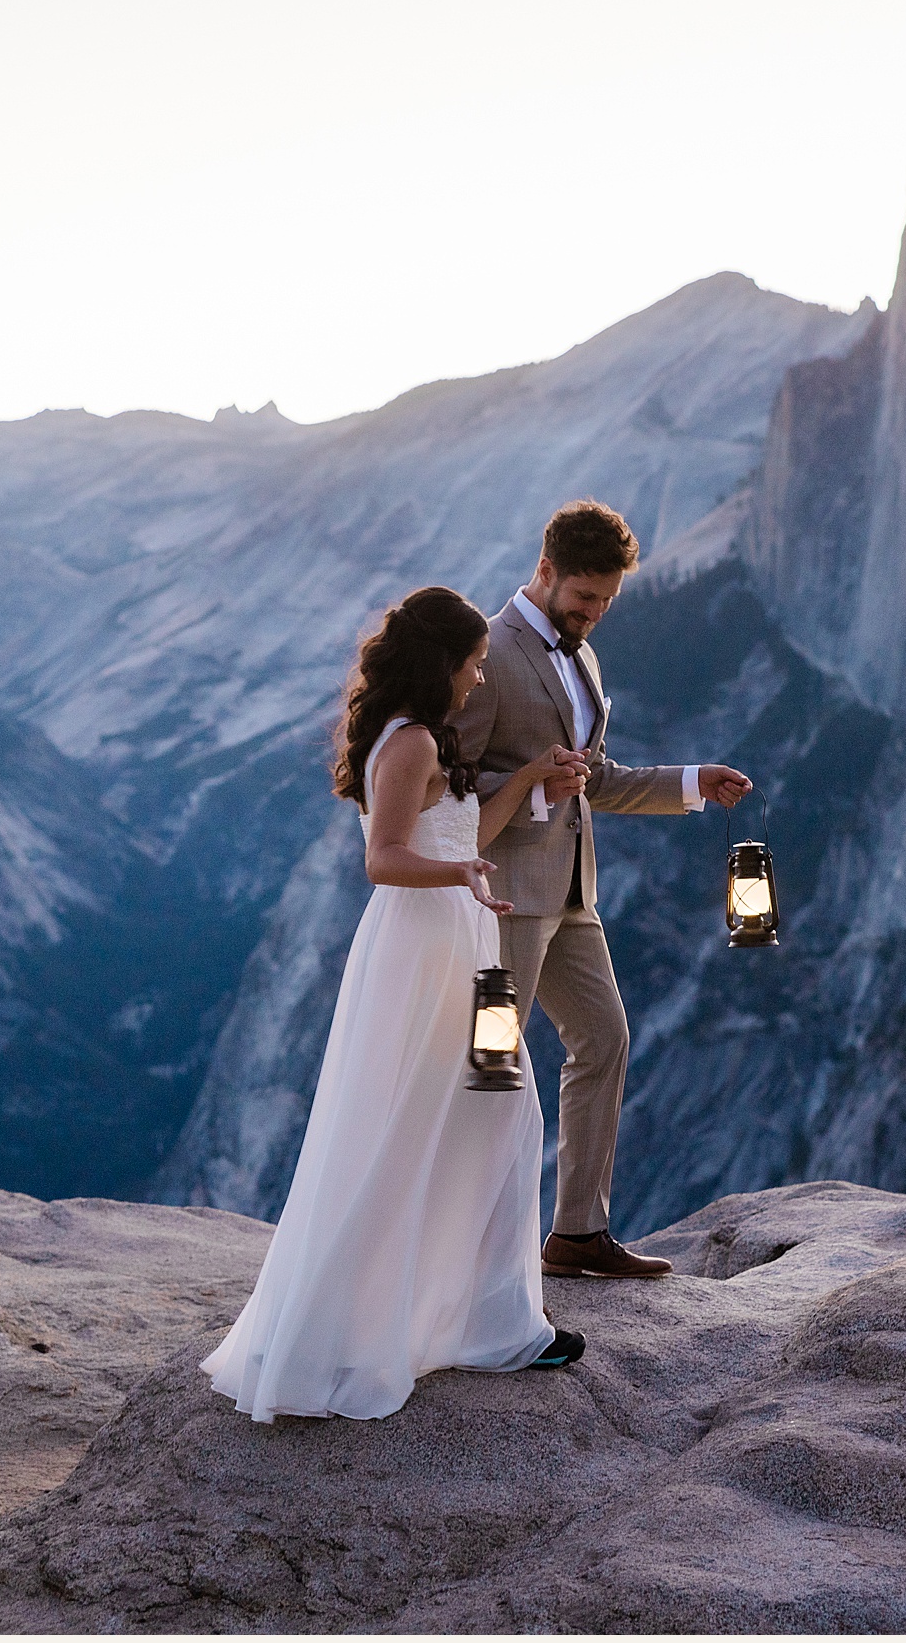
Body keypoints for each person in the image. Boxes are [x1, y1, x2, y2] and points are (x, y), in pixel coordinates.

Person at [203, 587, 585, 1422]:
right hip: (429, 952)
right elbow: (384, 859)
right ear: (441, 663)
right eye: (475, 664)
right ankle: (469, 1327)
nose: (480, 679)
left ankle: (479, 1320)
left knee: (499, 1111)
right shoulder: (407, 742)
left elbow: (465, 838)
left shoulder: (420, 737)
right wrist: (456, 878)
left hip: (467, 944)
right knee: (450, 1121)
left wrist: (526, 779)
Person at [452, 500, 751, 1278]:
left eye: (608, 603)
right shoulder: (488, 654)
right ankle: (470, 1253)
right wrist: (536, 782)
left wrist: (694, 781)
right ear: (544, 569)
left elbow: (599, 778)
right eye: (585, 598)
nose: (595, 614)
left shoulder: (580, 656)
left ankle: (577, 1233)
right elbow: (451, 785)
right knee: (490, 1068)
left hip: (573, 897)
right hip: (504, 897)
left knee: (605, 1039)